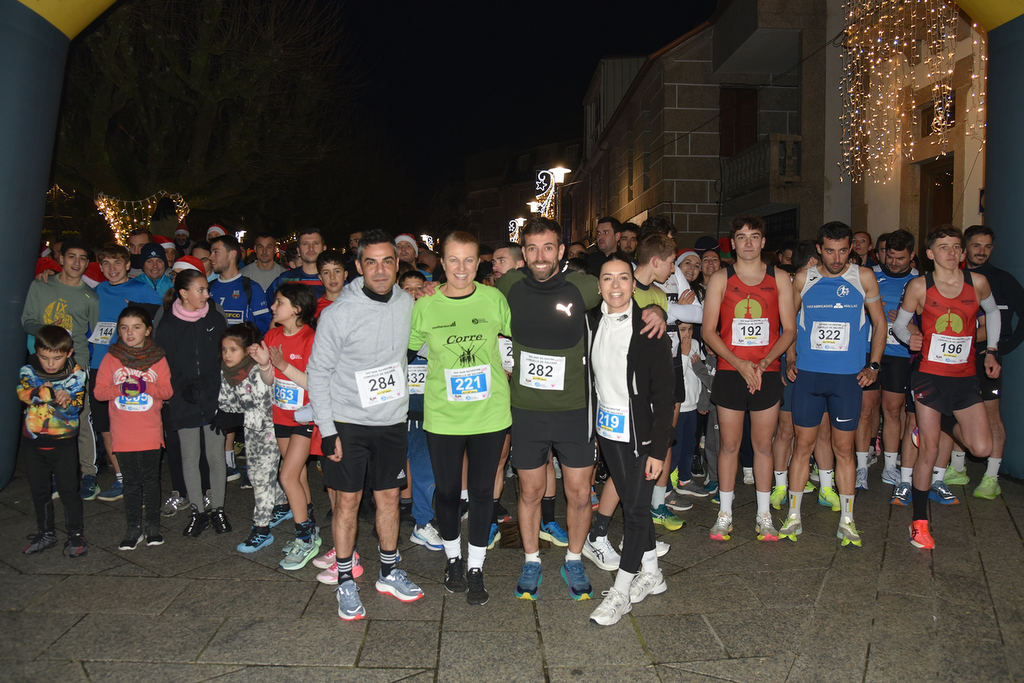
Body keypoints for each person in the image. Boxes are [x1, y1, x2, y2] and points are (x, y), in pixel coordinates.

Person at [496, 216, 665, 601]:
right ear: (524, 253)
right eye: (532, 248)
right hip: (526, 411)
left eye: (548, 248)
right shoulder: (509, 286)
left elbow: (621, 293)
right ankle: (531, 560)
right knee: (530, 491)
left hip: (575, 412)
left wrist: (655, 311)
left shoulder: (582, 286)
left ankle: (574, 559)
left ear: (560, 250)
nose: (541, 256)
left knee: (578, 493)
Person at [308, 229, 423, 621]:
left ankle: (388, 572)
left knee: (389, 498)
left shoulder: (407, 303)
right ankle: (344, 579)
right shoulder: (338, 313)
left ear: (397, 264)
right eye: (370, 262)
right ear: (358, 266)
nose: (380, 270)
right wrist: (327, 431)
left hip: (391, 420)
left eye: (387, 261)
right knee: (348, 502)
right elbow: (318, 373)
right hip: (348, 422)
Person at [409, 231, 512, 605]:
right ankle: (453, 560)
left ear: (478, 262)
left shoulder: (494, 299)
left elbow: (523, 337)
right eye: (453, 259)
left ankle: (476, 566)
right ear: (442, 261)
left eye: (469, 259)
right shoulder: (426, 304)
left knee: (483, 493)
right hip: (444, 416)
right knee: (449, 492)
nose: (462, 268)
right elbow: (404, 351)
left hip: (490, 414)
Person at [892, 225, 1000, 549]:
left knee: (981, 448)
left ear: (962, 253)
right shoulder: (919, 286)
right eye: (943, 247)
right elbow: (899, 324)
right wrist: (909, 337)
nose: (951, 253)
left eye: (956, 247)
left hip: (965, 378)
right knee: (928, 450)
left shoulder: (977, 283)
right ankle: (919, 523)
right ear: (930, 253)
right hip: (929, 376)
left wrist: (991, 350)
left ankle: (943, 422)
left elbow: (993, 313)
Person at [782, 221, 886, 546]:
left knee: (844, 449)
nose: (837, 258)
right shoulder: (804, 279)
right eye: (830, 251)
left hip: (847, 379)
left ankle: (848, 520)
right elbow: (788, 324)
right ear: (819, 249)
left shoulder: (862, 277)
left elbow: (880, 323)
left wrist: (874, 365)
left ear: (850, 248)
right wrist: (790, 358)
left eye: (843, 251)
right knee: (803, 447)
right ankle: (793, 515)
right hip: (809, 376)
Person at [586, 257, 674, 625]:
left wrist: (658, 449)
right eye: (608, 278)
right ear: (599, 286)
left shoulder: (650, 328)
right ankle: (652, 572)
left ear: (633, 285)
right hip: (609, 432)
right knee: (634, 506)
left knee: (636, 512)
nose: (616, 285)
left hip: (641, 436)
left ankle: (620, 593)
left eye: (623, 278)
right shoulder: (590, 322)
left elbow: (666, 396)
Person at [702, 214, 796, 542]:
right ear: (733, 243)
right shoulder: (720, 279)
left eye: (754, 236)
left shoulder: (779, 278)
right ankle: (724, 515)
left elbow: (789, 330)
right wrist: (739, 363)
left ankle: (764, 516)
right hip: (731, 371)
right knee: (729, 445)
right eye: (741, 237)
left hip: (765, 372)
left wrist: (766, 361)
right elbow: (708, 331)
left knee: (763, 447)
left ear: (763, 241)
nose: (748, 243)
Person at [21, 239, 100, 500]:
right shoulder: (41, 285)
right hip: (43, 364)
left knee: (81, 417)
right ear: (62, 259)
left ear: (87, 263)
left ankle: (88, 475)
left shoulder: (90, 296)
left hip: (76, 364)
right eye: (72, 256)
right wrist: (49, 331)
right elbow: (27, 321)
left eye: (83, 258)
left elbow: (95, 332)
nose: (77, 262)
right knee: (47, 418)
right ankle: (55, 475)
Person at [155, 270, 229, 538]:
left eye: (206, 289)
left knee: (215, 456)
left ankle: (218, 509)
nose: (207, 294)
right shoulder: (167, 324)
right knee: (189, 457)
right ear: (184, 294)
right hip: (183, 399)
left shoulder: (215, 319)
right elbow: (165, 362)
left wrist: (210, 383)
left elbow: (224, 356)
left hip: (212, 396)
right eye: (200, 290)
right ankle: (198, 511)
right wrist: (182, 386)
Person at [251, 282, 319, 569]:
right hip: (280, 415)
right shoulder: (272, 335)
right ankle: (311, 529)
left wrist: (282, 365)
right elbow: (270, 381)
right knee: (298, 477)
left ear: (296, 309)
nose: (272, 306)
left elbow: (314, 384)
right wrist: (264, 364)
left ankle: (304, 538)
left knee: (287, 476)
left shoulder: (311, 339)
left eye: (279, 302)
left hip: (305, 417)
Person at [94, 306, 173, 549]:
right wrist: (120, 389)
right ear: (118, 331)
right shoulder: (111, 358)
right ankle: (133, 528)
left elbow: (167, 391)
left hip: (149, 431)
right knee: (130, 482)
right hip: (123, 432)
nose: (130, 333)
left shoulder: (158, 358)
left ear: (147, 330)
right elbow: (99, 393)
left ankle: (153, 527)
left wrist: (145, 386)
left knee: (151, 480)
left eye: (136, 327)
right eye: (124, 328)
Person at [956, 225, 1024, 499]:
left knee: (991, 414)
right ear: (965, 247)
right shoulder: (954, 276)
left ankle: (991, 477)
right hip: (956, 358)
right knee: (956, 411)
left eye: (987, 247)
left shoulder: (1002, 279)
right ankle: (956, 469)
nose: (982, 251)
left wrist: (1004, 346)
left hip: (986, 358)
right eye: (976, 246)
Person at [216, 322, 291, 553]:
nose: (227, 355)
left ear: (247, 351)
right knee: (259, 472)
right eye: (224, 349)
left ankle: (261, 528)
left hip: (270, 429)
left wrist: (237, 413)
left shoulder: (257, 370)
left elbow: (263, 405)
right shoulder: (227, 371)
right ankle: (282, 504)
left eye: (233, 350)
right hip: (251, 429)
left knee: (260, 478)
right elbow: (226, 402)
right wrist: (226, 414)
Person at [18, 325, 89, 557]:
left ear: (68, 353)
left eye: (57, 358)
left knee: (69, 490)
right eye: (44, 357)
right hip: (34, 443)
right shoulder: (28, 371)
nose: (50, 364)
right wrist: (46, 393)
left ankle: (76, 534)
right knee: (39, 490)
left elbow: (76, 407)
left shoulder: (77, 374)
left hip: (64, 443)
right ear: (36, 352)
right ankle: (46, 532)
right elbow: (24, 393)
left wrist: (66, 399)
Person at [863, 230, 917, 492]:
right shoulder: (870, 276)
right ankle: (861, 465)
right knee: (865, 410)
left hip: (899, 354)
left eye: (900, 258)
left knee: (893, 411)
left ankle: (890, 466)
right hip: (869, 351)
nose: (894, 262)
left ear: (912, 256)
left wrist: (908, 320)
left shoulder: (919, 281)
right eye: (890, 256)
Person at [89, 245, 134, 501]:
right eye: (106, 263)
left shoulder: (141, 290)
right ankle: (121, 479)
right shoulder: (97, 291)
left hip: (129, 368)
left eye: (117, 262)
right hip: (99, 366)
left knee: (130, 425)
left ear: (127, 265)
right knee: (105, 427)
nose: (112, 268)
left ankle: (137, 478)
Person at [209, 233, 271, 332]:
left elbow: (264, 323)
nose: (211, 257)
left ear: (232, 254)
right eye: (211, 252)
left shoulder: (251, 288)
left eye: (216, 252)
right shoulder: (208, 288)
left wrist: (243, 336)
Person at [267, 227, 327, 300]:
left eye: (316, 243)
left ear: (324, 249)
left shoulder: (334, 279)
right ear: (298, 251)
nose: (311, 248)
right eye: (305, 244)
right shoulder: (285, 279)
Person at [314, 250, 346, 318]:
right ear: (321, 278)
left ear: (345, 275)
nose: (332, 277)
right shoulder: (315, 309)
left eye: (337, 271)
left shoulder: (356, 303)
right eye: (326, 273)